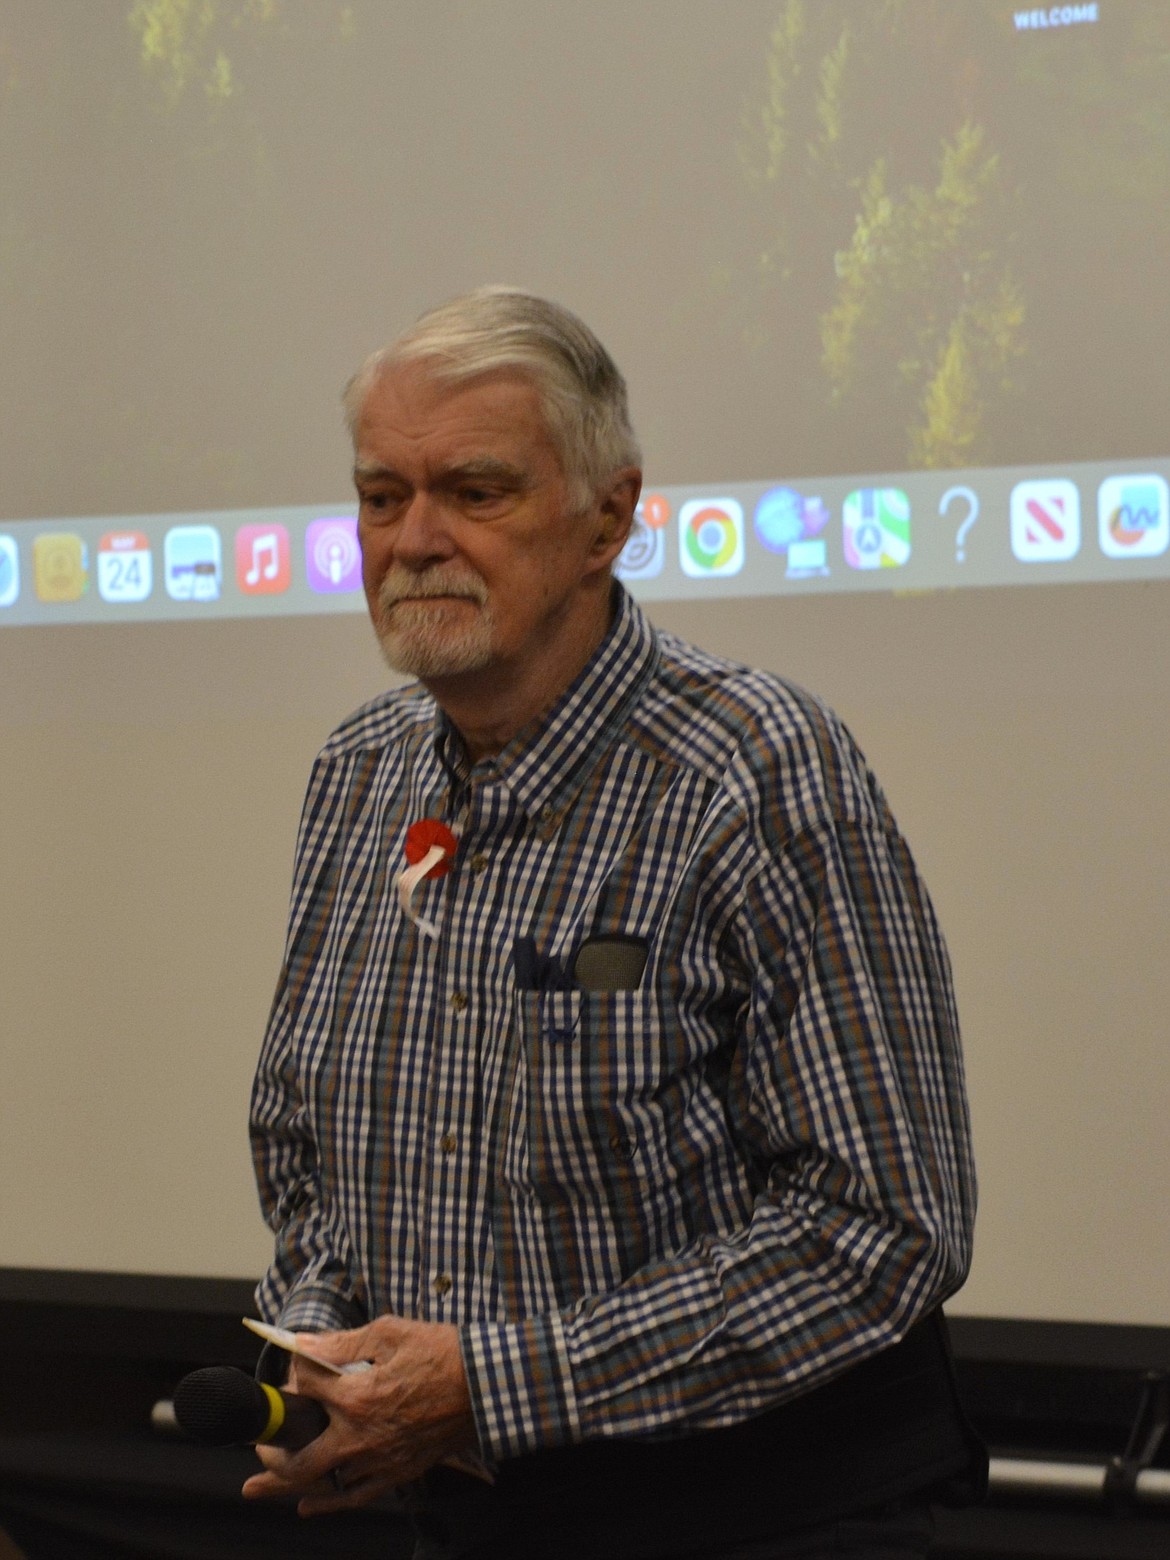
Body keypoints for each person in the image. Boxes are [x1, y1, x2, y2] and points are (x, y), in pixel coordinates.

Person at [242, 287, 983, 1559]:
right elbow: (307, 1152)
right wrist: (323, 1341)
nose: (414, 538)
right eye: (380, 497)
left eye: (474, 492)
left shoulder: (755, 770)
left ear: (608, 519)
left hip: (758, 1518)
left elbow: (882, 1228)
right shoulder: (358, 774)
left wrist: (498, 1385)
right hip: (452, 1513)